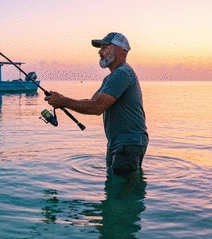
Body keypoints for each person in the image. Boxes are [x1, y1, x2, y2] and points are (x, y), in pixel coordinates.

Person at [45, 32, 148, 176]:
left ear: (119, 50)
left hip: (128, 142)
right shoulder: (111, 78)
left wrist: (63, 101)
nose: (100, 52)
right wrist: (62, 99)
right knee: (117, 188)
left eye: (104, 47)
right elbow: (92, 102)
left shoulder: (122, 74)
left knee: (122, 191)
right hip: (119, 143)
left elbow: (97, 107)